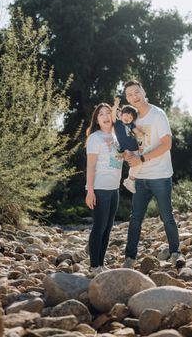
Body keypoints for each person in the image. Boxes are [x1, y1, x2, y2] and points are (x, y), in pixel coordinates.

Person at [122, 80, 185, 268]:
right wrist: (128, 156)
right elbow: (132, 146)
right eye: (130, 95)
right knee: (135, 219)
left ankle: (176, 253)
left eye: (136, 92)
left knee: (167, 216)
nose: (134, 96)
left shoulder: (158, 114)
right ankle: (129, 258)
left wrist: (141, 158)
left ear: (143, 90)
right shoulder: (130, 119)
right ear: (127, 99)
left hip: (160, 175)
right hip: (140, 177)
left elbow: (167, 144)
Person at [85, 103, 123, 276]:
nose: (106, 116)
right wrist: (90, 190)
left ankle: (101, 264)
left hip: (114, 189)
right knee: (99, 227)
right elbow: (90, 166)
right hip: (99, 188)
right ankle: (94, 266)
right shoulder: (95, 138)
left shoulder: (117, 137)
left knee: (108, 228)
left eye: (108, 113)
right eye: (101, 114)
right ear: (97, 120)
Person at [111, 97, 145, 193]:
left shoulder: (131, 125)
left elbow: (138, 133)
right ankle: (130, 180)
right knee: (136, 164)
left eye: (130, 118)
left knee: (138, 164)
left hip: (135, 148)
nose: (128, 118)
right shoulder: (117, 123)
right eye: (126, 115)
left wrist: (142, 134)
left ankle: (130, 180)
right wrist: (116, 106)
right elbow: (113, 115)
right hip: (127, 150)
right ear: (121, 115)